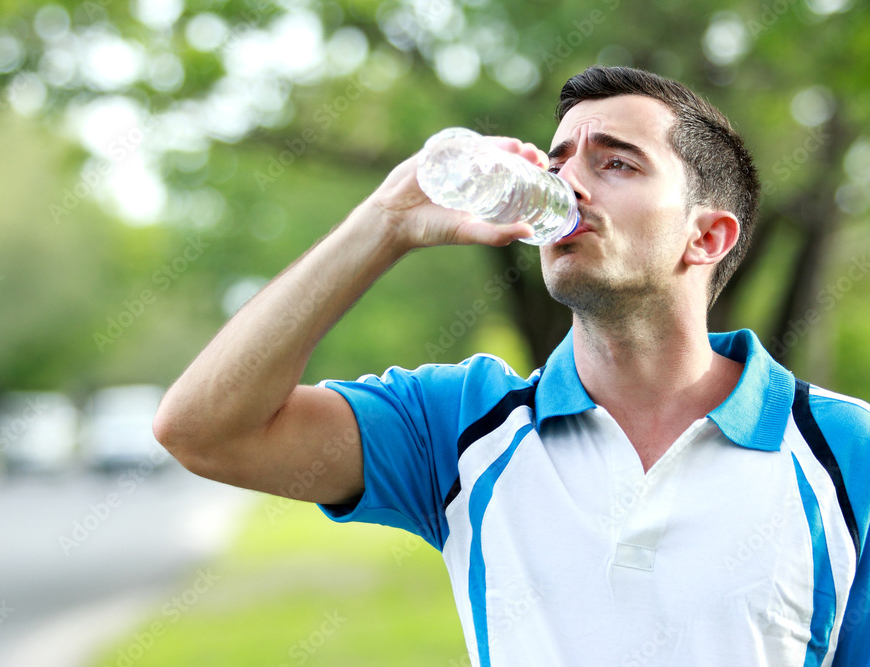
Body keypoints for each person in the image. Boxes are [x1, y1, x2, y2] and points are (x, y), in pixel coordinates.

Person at [152, 66, 870, 666]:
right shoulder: (457, 423)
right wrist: (386, 220)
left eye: (616, 162)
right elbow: (205, 430)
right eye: (559, 162)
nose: (569, 185)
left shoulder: (850, 452)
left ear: (706, 235)